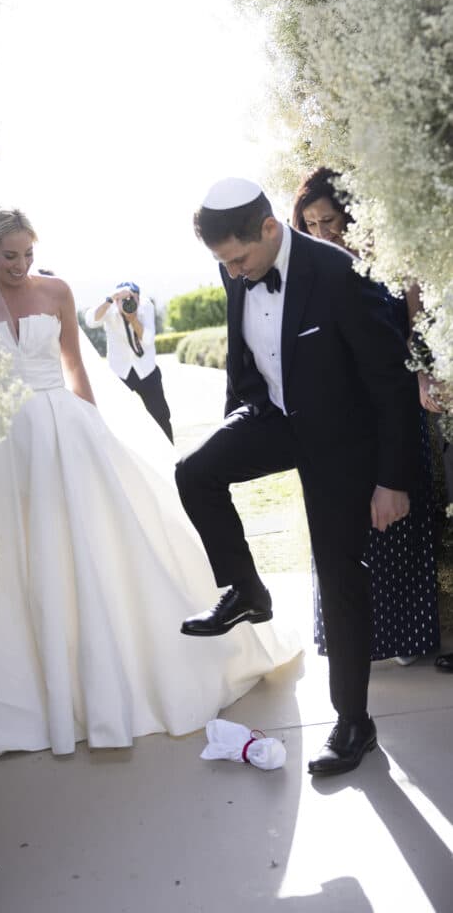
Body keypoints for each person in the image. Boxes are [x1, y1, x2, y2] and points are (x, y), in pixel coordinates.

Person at [0, 208, 299, 762]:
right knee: (24, 558)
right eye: (9, 256)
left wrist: (92, 426)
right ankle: (39, 693)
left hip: (65, 430)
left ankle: (131, 672)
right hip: (3, 446)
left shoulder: (56, 291)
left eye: (27, 255)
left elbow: (73, 365)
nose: (20, 265)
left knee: (95, 545)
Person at [175, 177, 420, 776]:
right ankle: (247, 590)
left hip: (342, 442)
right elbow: (246, 361)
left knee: (340, 579)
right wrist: (242, 420)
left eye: (238, 259)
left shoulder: (339, 274)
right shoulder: (237, 272)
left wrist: (393, 479)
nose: (233, 273)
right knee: (194, 472)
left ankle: (354, 724)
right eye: (222, 264)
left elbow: (391, 385)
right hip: (276, 420)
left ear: (266, 228)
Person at [291, 167, 439, 666]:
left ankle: (403, 637)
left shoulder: (390, 261)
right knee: (348, 526)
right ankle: (355, 637)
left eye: (328, 220)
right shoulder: (311, 272)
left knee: (398, 522)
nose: (321, 233)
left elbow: (416, 327)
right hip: (342, 415)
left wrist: (423, 378)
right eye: (310, 224)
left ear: (351, 214)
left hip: (396, 405)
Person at [85, 281, 173, 441]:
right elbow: (90, 321)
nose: (128, 302)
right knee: (117, 420)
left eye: (132, 298)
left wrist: (133, 319)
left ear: (139, 297)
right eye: (123, 299)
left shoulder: (145, 306)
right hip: (120, 372)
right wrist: (111, 299)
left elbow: (147, 340)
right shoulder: (109, 308)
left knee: (161, 415)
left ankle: (172, 458)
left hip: (146, 369)